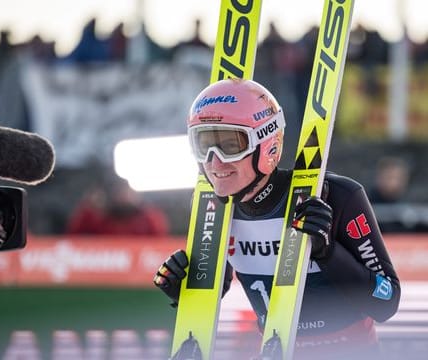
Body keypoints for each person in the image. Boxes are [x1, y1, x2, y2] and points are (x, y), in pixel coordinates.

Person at [153, 79, 400, 359]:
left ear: (266, 145)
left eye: (230, 145)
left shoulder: (335, 196)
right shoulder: (214, 208)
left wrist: (328, 253)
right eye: (203, 145)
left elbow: (387, 301)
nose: (215, 162)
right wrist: (183, 289)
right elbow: (215, 287)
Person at [66, 174, 170, 236]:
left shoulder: (148, 218)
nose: (123, 196)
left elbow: (160, 242)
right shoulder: (102, 221)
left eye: (127, 192)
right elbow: (75, 236)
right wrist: (88, 205)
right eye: (119, 192)